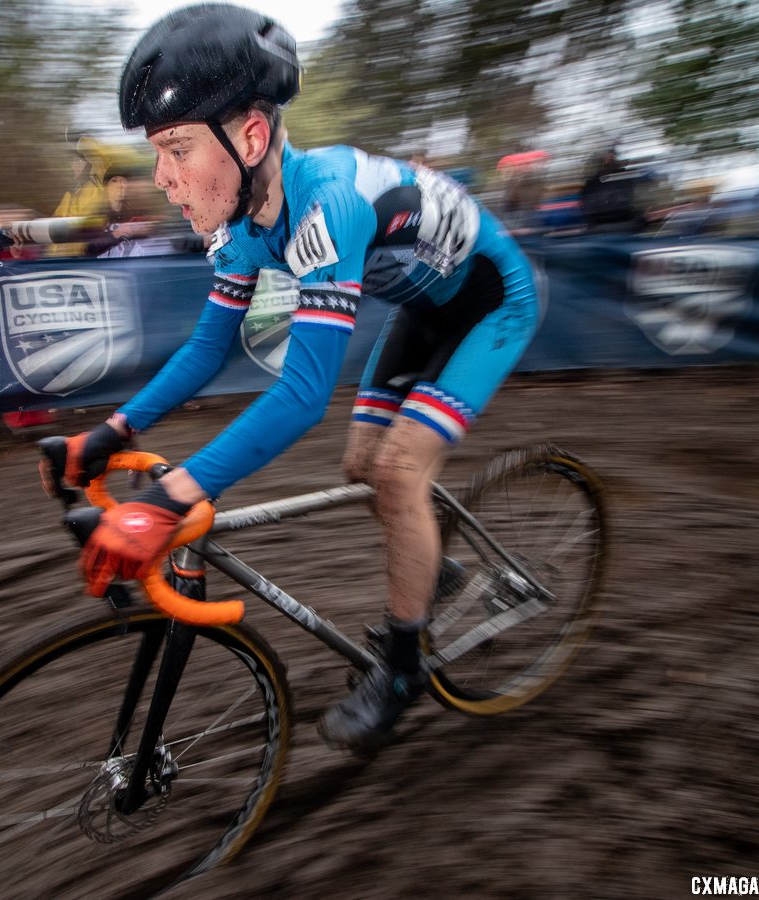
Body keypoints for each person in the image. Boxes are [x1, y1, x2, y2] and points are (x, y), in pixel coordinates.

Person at [44, 3, 540, 751]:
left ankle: (404, 667)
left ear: (248, 137)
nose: (162, 178)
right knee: (360, 465)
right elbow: (208, 350)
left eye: (177, 149)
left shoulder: (326, 204)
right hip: (423, 305)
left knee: (399, 471)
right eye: (157, 153)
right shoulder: (241, 227)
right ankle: (433, 564)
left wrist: (169, 500)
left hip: (491, 299)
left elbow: (304, 396)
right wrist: (112, 432)